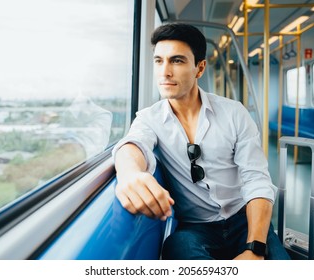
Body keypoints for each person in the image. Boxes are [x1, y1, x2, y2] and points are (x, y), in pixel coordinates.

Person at [112, 23, 289, 260]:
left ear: (200, 68)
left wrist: (255, 248)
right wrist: (129, 174)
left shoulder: (234, 113)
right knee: (176, 246)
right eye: (158, 61)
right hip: (196, 229)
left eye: (177, 61)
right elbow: (132, 146)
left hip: (243, 220)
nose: (165, 72)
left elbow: (256, 179)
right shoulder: (150, 119)